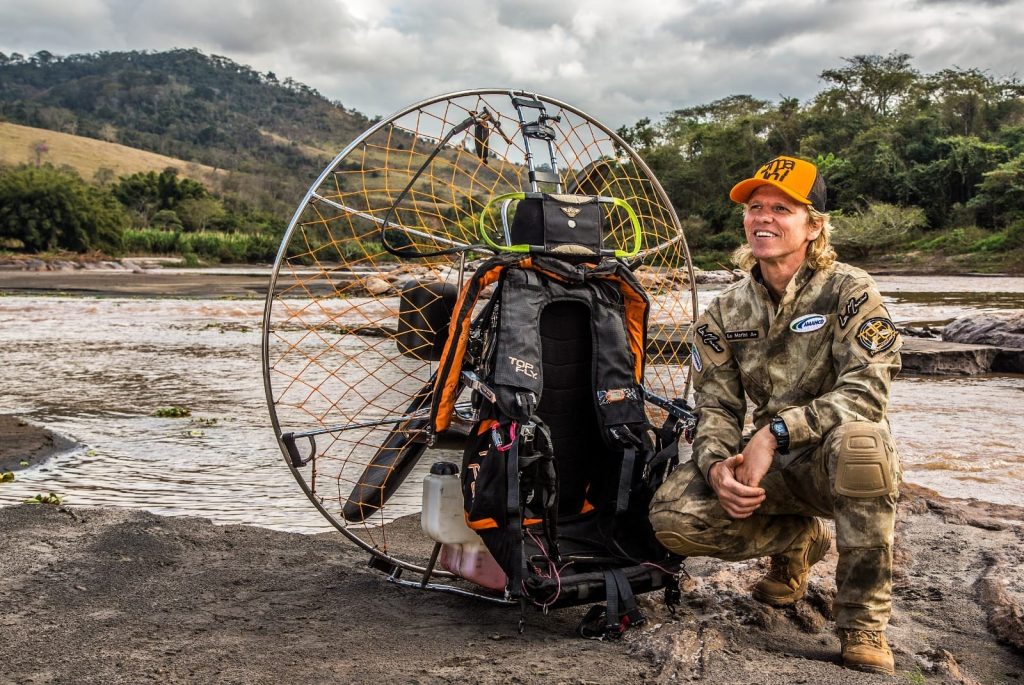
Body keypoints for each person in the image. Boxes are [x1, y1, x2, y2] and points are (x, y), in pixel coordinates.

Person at [649, 156, 902, 675]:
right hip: (775, 474)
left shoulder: (850, 291)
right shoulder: (724, 310)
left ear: (813, 225)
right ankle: (799, 539)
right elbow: (716, 406)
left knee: (863, 444)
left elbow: (867, 391)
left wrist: (776, 433)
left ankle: (861, 621)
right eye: (755, 207)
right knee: (671, 516)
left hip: (837, 463)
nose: (763, 218)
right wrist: (718, 465)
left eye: (781, 209)